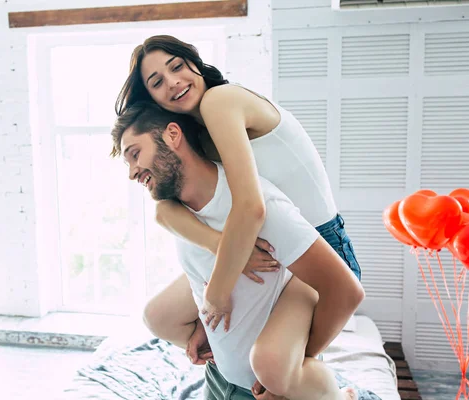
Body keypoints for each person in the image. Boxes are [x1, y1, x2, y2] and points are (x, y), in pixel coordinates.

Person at [114, 34, 363, 370]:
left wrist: (216, 295)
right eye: (157, 82)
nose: (173, 82)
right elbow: (164, 211)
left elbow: (251, 207)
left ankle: (314, 383)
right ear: (155, 99)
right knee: (160, 317)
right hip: (265, 245)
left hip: (318, 250)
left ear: (195, 64)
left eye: (177, 66)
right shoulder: (196, 135)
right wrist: (225, 247)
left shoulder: (221, 101)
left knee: (277, 370)